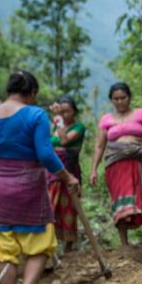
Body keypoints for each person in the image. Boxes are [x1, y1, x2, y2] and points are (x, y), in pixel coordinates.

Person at [0, 71, 80, 284]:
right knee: (41, 241)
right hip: (27, 188)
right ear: (32, 93)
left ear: (8, 90)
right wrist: (67, 176)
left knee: (4, 251)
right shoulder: (35, 115)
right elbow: (45, 154)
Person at [90, 82, 142, 246]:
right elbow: (99, 146)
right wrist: (93, 170)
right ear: (111, 100)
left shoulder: (140, 113)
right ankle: (124, 244)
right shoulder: (106, 119)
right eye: (116, 99)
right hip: (115, 166)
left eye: (123, 98)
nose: (120, 102)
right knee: (120, 201)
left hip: (138, 161)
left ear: (129, 97)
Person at [48, 95, 85, 252]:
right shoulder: (54, 127)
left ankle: (69, 248)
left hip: (69, 169)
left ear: (74, 111)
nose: (64, 115)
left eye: (67, 111)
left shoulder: (78, 127)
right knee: (50, 208)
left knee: (69, 207)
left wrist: (57, 118)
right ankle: (50, 248)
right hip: (52, 171)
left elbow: (64, 141)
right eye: (61, 112)